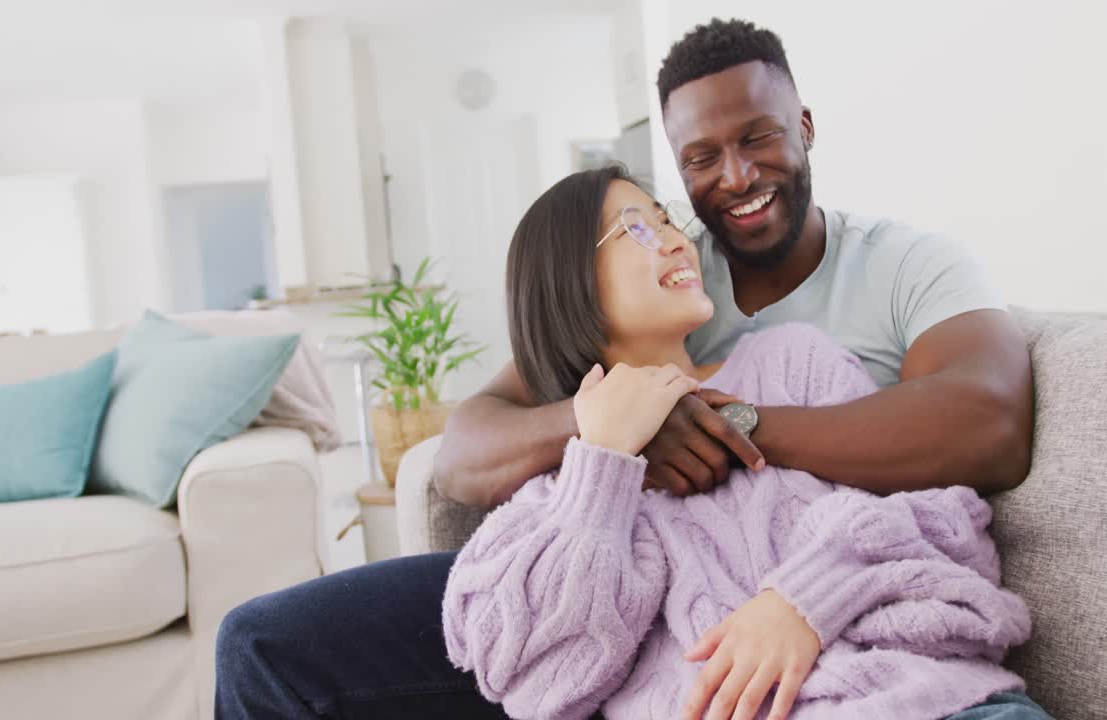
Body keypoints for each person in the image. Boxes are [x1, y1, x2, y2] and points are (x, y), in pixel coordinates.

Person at [215, 17, 1036, 720]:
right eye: (698, 164)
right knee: (261, 644)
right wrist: (608, 440)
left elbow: (982, 438)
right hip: (651, 624)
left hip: (882, 669)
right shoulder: (670, 296)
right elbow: (466, 454)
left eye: (758, 137)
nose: (733, 181)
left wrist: (727, 429)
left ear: (806, 127)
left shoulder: (872, 295)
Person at [441, 164, 1046, 720]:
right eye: (637, 229)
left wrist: (806, 601)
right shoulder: (554, 490)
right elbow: (533, 680)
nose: (679, 239)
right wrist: (601, 469)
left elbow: (947, 518)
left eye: (666, 219)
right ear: (569, 282)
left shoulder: (795, 364)